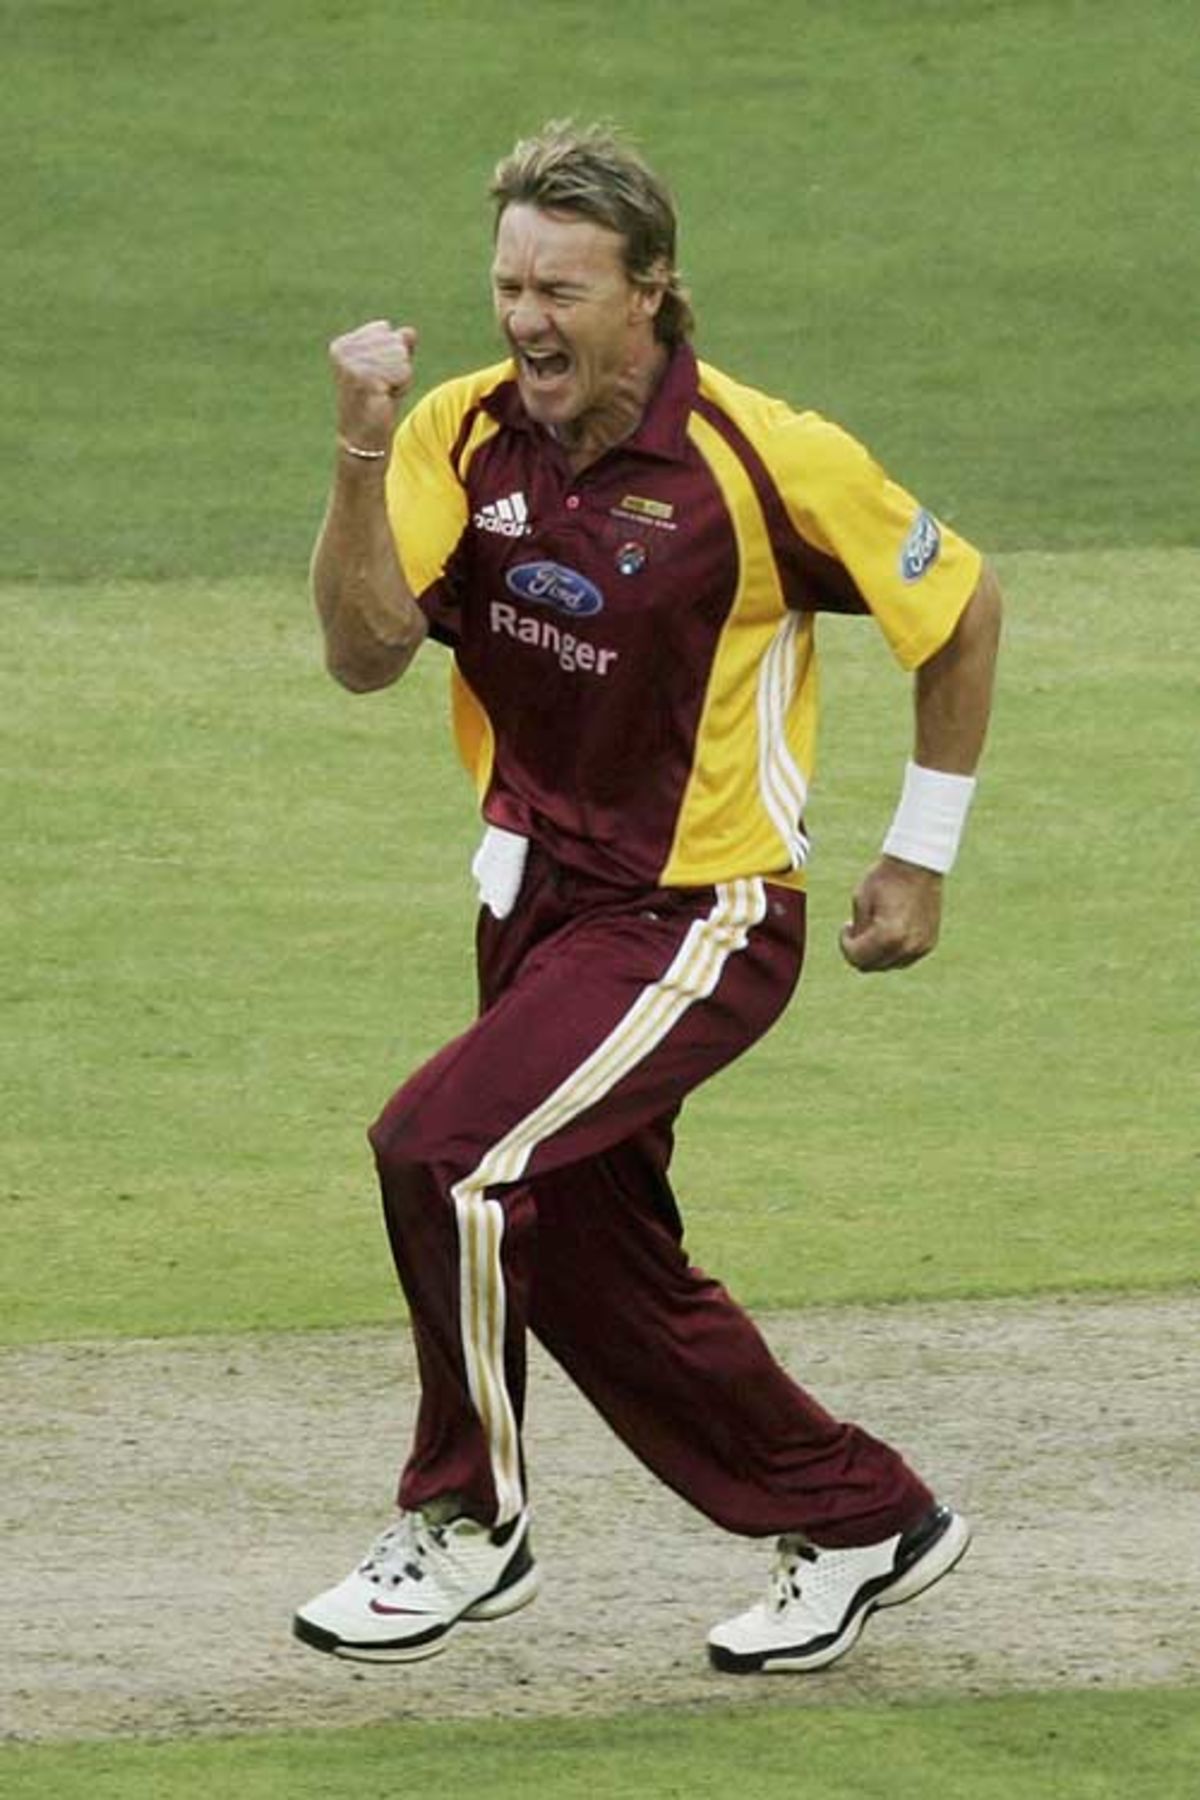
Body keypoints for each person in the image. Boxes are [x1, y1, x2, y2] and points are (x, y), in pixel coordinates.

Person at [293, 120, 1001, 1676]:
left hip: (699, 918)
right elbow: (362, 652)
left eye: (562, 288)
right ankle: (863, 1513)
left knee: (444, 1152)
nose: (527, 319)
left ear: (653, 292)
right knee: (587, 1262)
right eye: (509, 284)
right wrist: (358, 447)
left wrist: (921, 848)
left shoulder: (767, 459)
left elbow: (957, 608)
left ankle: (469, 1521)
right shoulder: (460, 436)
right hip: (536, 902)